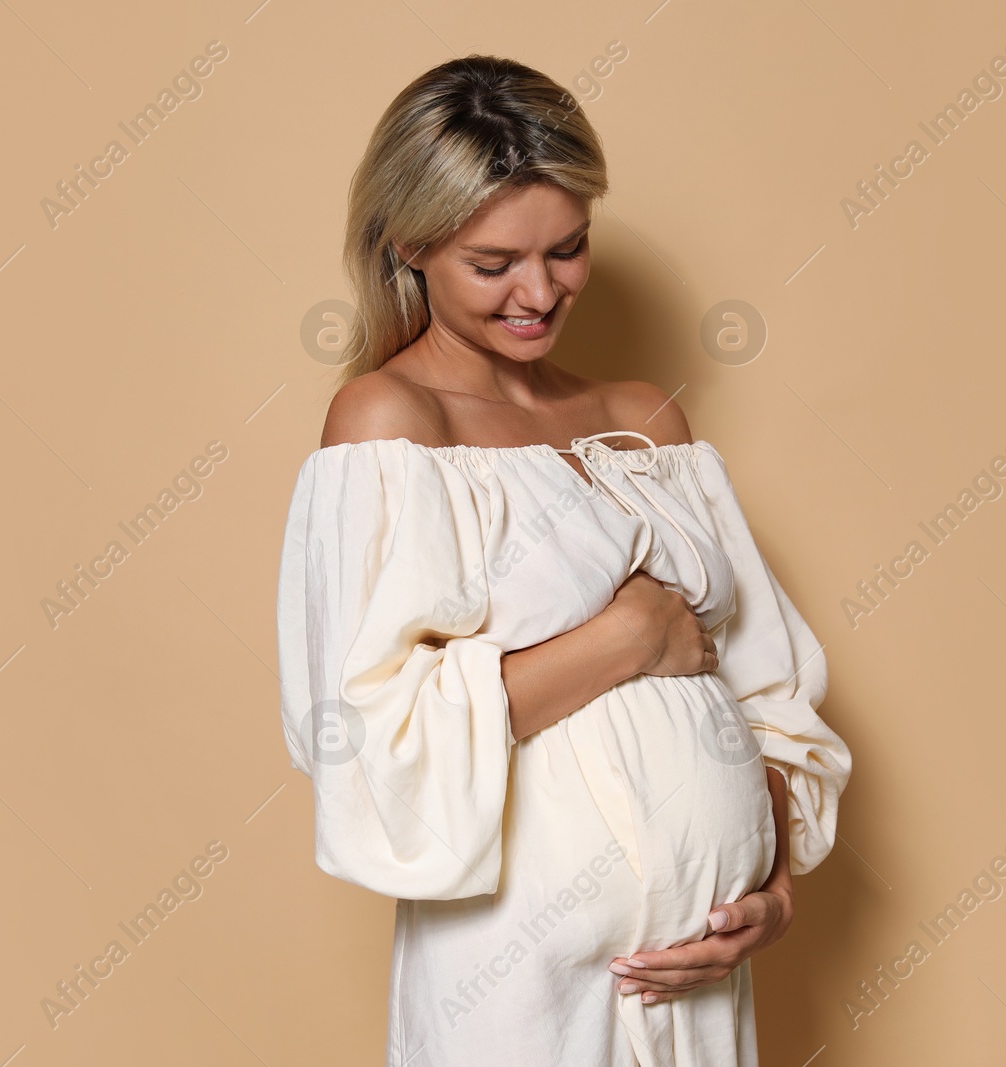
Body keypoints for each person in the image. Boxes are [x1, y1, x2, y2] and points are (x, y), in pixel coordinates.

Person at [276, 54, 852, 1067]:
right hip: (517, 970)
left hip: (697, 965)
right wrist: (626, 638)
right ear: (409, 242)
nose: (539, 292)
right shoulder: (388, 424)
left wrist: (770, 890)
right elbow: (366, 737)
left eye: (568, 249)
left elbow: (765, 685)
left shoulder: (642, 423)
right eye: (493, 263)